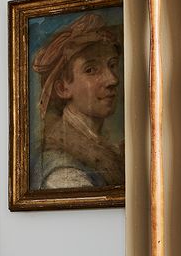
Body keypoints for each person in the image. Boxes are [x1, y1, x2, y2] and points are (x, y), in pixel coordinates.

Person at [32, 12, 123, 190]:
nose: (113, 80)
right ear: (63, 88)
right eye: (91, 70)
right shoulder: (62, 172)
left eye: (112, 65)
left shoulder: (111, 149)